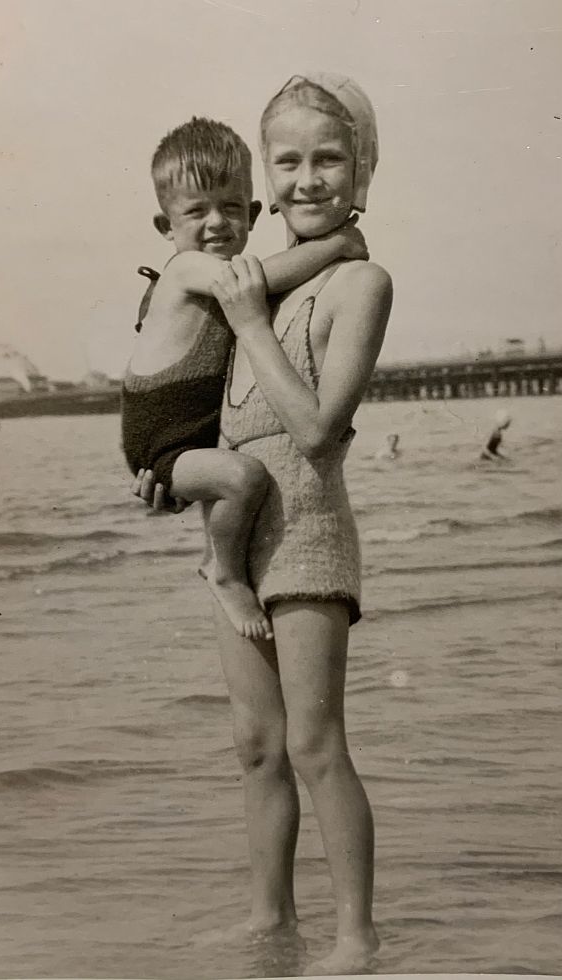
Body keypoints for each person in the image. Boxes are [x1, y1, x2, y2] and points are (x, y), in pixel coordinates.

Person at [134, 74, 393, 975]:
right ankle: (271, 925)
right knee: (255, 747)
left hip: (310, 530)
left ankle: (356, 939)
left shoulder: (359, 278)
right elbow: (226, 422)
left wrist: (249, 316)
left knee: (316, 742)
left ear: (364, 170)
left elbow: (316, 431)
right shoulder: (257, 283)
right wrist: (173, 483)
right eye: (290, 160)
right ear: (266, 181)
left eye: (331, 159)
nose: (309, 178)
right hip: (243, 538)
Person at [122, 116, 369, 641]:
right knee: (244, 478)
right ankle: (224, 571)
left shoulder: (215, 281)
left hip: (188, 437)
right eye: (195, 211)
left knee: (237, 477)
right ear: (166, 228)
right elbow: (256, 280)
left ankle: (222, 561)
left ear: (253, 213)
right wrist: (340, 244)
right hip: (159, 440)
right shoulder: (186, 269)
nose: (216, 222)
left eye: (231, 207)